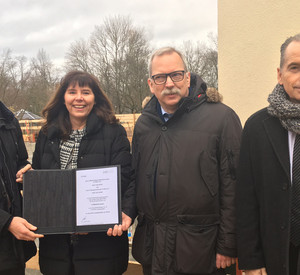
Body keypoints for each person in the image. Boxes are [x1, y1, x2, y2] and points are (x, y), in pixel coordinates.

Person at [131, 47, 242, 275]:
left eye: (176, 75)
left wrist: (228, 244)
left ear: (188, 77)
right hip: (153, 249)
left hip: (201, 251)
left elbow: (234, 186)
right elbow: (135, 179)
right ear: (151, 85)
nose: (170, 83)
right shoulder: (144, 125)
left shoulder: (221, 118)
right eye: (160, 78)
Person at [32, 71, 133, 275]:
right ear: (63, 98)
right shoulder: (47, 134)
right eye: (72, 92)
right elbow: (39, 179)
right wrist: (28, 179)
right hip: (56, 251)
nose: (79, 98)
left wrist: (125, 212)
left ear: (95, 99)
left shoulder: (114, 132)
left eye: (86, 92)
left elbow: (126, 179)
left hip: (102, 249)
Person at [236, 33, 300, 275]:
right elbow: (246, 200)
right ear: (280, 74)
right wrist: (250, 261)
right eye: (294, 67)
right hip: (274, 257)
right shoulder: (257, 127)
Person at [0, 101, 43, 275]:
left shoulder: (8, 121)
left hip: (13, 248)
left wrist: (27, 173)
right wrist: (6, 222)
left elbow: (20, 161)